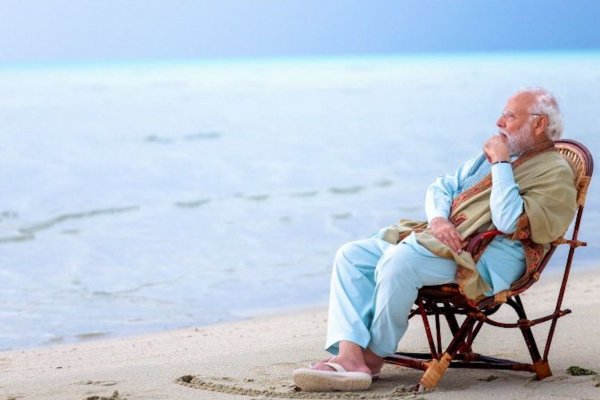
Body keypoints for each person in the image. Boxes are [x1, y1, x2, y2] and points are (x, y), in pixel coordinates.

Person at [292, 88, 578, 392]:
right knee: (352, 255)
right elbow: (441, 186)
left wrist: (501, 165)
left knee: (399, 260)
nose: (499, 122)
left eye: (509, 115)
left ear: (538, 124)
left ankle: (373, 356)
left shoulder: (553, 171)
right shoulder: (494, 158)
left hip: (488, 260)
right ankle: (350, 356)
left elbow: (510, 221)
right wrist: (440, 220)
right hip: (448, 246)